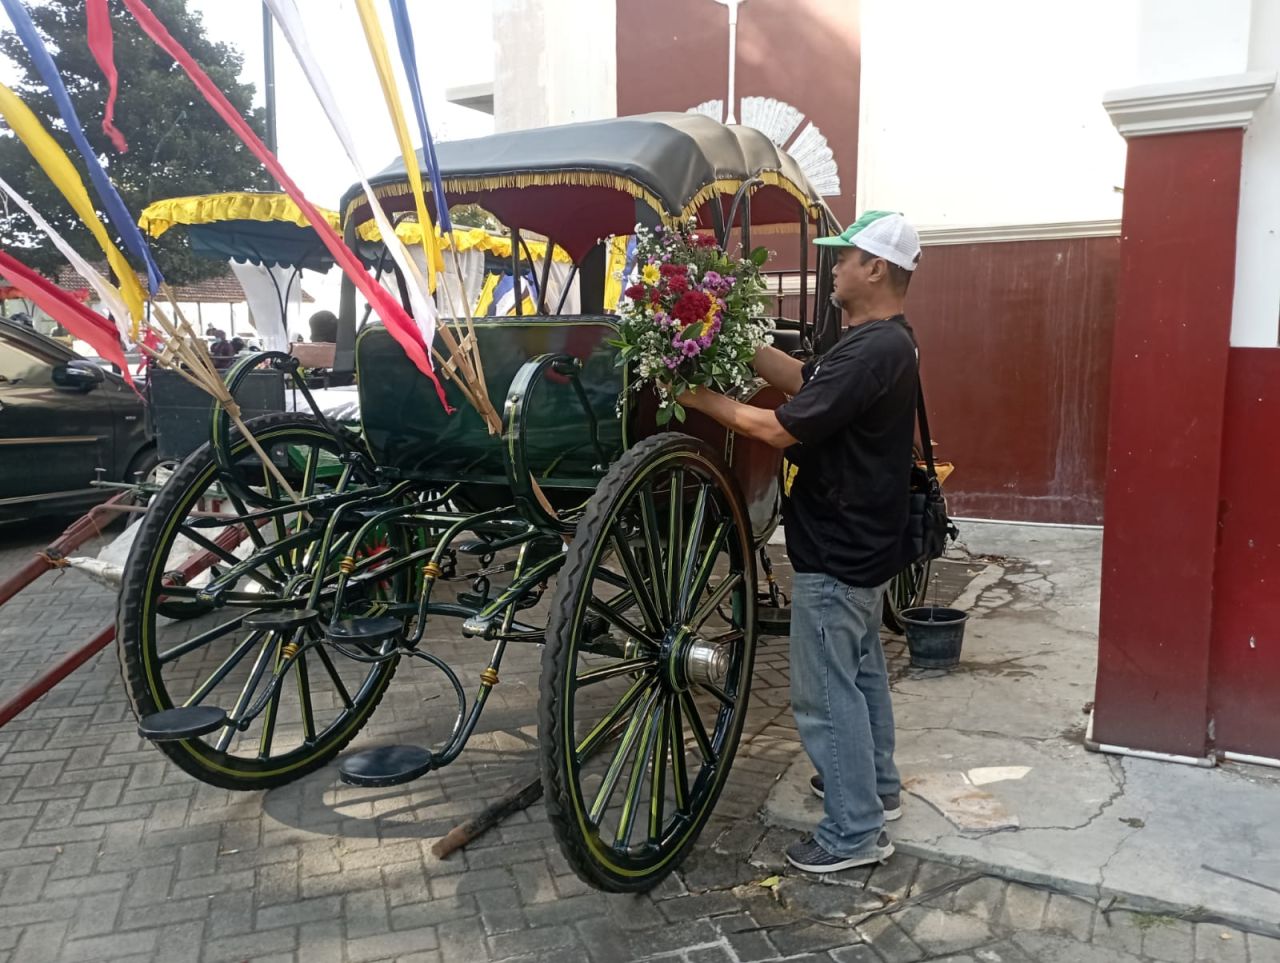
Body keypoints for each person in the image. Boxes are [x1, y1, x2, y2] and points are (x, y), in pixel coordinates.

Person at [676, 211, 921, 873]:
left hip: (838, 552)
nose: (832, 267)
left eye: (843, 257)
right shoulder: (878, 343)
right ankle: (877, 789)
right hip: (863, 546)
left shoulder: (874, 351)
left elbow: (780, 427)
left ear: (874, 267)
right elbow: (804, 382)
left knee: (823, 692)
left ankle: (853, 833)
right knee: (862, 672)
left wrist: (697, 396)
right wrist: (727, 332)